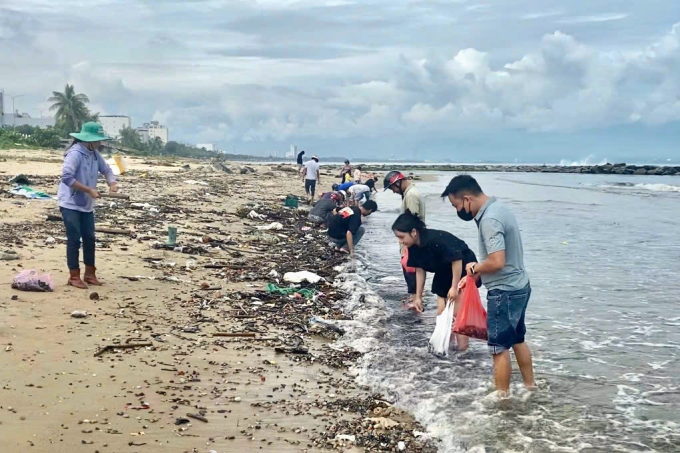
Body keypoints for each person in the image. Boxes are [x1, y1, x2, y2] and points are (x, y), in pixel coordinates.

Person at [442, 175, 535, 394]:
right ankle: (531, 388)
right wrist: (473, 276)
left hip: (504, 292)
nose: (458, 211)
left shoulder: (490, 220)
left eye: (456, 205)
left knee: (498, 348)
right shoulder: (499, 209)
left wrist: (474, 267)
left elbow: (497, 261)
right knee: (517, 339)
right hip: (520, 286)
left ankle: (502, 400)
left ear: (467, 199)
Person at [392, 211, 478, 351]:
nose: (400, 241)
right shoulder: (413, 246)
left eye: (402, 237)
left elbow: (457, 260)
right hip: (443, 270)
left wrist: (454, 287)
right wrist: (418, 297)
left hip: (462, 269)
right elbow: (420, 269)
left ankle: (463, 352)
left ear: (413, 232)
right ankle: (447, 348)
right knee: (441, 312)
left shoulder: (436, 240)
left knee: (457, 315)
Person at [57, 122, 118, 289]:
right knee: (74, 239)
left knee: (90, 238)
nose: (100, 143)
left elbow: (107, 170)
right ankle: (74, 276)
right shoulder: (75, 154)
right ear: (89, 140)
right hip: (70, 203)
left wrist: (112, 183)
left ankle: (90, 274)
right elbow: (67, 178)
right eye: (98, 140)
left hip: (86, 205)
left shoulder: (94, 154)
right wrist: (89, 190)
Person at [384, 171, 426, 302]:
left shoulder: (411, 195)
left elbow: (411, 221)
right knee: (411, 268)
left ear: (397, 182)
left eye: (392, 188)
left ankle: (416, 299)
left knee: (410, 268)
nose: (393, 191)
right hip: (411, 239)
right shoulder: (410, 193)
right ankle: (415, 297)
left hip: (411, 241)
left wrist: (407, 243)